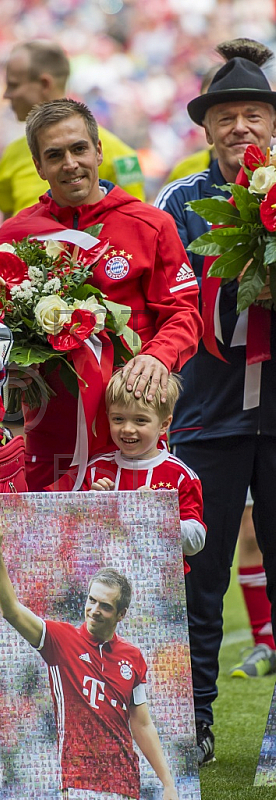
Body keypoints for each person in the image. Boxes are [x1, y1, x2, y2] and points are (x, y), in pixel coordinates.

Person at [154, 38, 276, 765]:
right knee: (198, 581)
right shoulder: (178, 203)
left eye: (255, 115)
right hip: (206, 416)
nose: (242, 129)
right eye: (227, 116)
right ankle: (193, 721)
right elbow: (161, 304)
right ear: (206, 128)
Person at [0, 97, 203, 492]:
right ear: (38, 165)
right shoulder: (10, 239)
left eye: (79, 148)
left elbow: (184, 313)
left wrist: (158, 356)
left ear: (99, 150)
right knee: (47, 549)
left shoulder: (151, 225)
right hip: (48, 433)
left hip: (130, 428)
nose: (70, 163)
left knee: (133, 549)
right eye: (54, 155)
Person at [0, 505, 179, 800]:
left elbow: (142, 722)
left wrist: (167, 783)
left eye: (105, 606)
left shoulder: (133, 656)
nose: (94, 610)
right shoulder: (59, 639)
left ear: (121, 614)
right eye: (91, 600)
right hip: (79, 783)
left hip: (127, 783)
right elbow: (11, 610)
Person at [50, 370, 206, 570]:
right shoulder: (95, 469)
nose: (128, 429)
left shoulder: (179, 475)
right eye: (118, 419)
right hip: (102, 585)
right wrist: (92, 506)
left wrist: (159, 515)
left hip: (158, 586)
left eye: (140, 420)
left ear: (164, 425)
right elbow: (72, 532)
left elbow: (196, 541)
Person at [0, 40, 145, 220]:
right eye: (53, 155)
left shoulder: (122, 157)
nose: (6, 94)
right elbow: (8, 229)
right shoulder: (10, 156)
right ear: (38, 164)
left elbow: (137, 223)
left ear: (45, 84)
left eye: (14, 85)